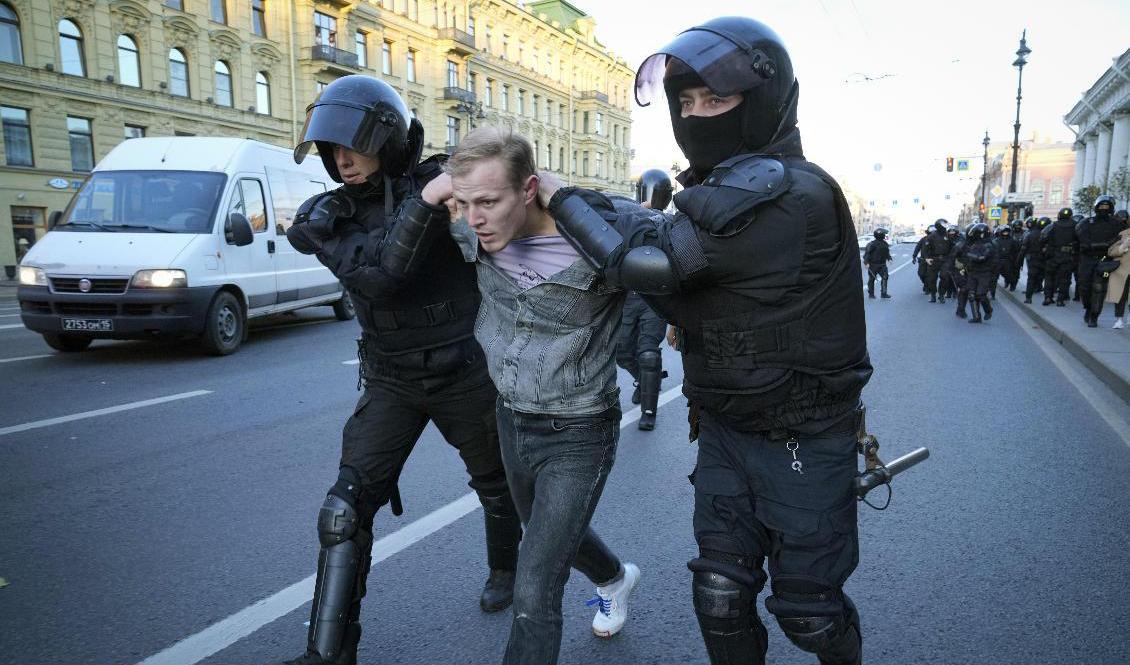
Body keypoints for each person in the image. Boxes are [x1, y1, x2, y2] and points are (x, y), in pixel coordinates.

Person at [550, 17, 872, 664]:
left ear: (764, 99)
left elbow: (653, 265)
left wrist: (560, 198)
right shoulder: (717, 193)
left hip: (804, 436)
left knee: (810, 613)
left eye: (716, 100)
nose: (698, 116)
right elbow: (662, 237)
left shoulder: (792, 191)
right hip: (725, 427)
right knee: (720, 594)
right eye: (686, 102)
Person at [281, 76, 521, 665]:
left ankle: (505, 569)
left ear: (386, 142)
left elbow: (507, 197)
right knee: (343, 509)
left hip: (463, 372)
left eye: (353, 145)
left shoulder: (437, 185)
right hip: (392, 379)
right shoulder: (325, 216)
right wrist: (427, 200)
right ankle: (329, 653)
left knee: (498, 487)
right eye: (331, 149)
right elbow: (384, 274)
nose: (341, 159)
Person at [435, 127, 642, 665]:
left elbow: (670, 266)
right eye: (464, 203)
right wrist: (433, 194)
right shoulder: (471, 232)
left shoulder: (596, 240)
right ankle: (616, 579)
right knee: (548, 537)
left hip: (579, 429)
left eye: (488, 201)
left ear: (529, 190)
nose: (474, 218)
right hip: (511, 419)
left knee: (534, 586)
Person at [618, 168, 674, 430]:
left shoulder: (674, 224)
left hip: (656, 298)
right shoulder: (626, 216)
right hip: (629, 296)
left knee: (648, 354)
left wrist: (677, 321)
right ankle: (645, 380)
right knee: (621, 351)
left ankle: (648, 411)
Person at [1077, 195, 1123, 327]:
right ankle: (1088, 308)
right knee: (1084, 287)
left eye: (1106, 207)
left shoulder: (1117, 225)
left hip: (1105, 262)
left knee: (1099, 288)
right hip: (1087, 260)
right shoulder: (1086, 223)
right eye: (1101, 207)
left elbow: (1120, 240)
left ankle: (1094, 316)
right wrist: (1104, 244)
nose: (1104, 209)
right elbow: (1083, 242)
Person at [960, 223, 997, 323]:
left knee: (981, 295)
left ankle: (988, 310)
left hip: (984, 273)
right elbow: (967, 256)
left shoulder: (989, 245)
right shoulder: (974, 244)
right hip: (973, 272)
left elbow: (982, 257)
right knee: (971, 295)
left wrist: (971, 255)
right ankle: (976, 317)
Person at [1042, 207, 1078, 307]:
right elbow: (1080, 239)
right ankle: (1060, 300)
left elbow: (1043, 237)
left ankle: (1048, 297)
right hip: (1067, 256)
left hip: (1053, 255)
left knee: (1049, 277)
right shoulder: (1076, 226)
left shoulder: (1053, 225)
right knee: (1064, 279)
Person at [1105, 219, 1130, 329]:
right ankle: (1119, 319)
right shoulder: (1123, 234)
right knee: (1120, 296)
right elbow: (1111, 251)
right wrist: (1123, 246)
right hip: (1121, 271)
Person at [922, 219, 953, 303]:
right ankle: (933, 295)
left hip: (945, 259)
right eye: (944, 225)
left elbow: (952, 248)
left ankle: (941, 294)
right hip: (933, 259)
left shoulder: (948, 235)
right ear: (939, 226)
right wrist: (926, 258)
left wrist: (951, 258)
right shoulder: (931, 236)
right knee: (932, 279)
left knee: (945, 277)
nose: (945, 227)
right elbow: (925, 249)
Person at [1020, 217, 1047, 304]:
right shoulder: (1046, 234)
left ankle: (1028, 298)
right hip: (1043, 259)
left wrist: (1019, 262)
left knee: (1031, 278)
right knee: (1045, 277)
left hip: (1032, 260)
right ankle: (1047, 297)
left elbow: (1023, 249)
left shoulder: (1029, 235)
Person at [863, 227, 892, 298]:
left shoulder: (885, 244)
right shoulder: (872, 244)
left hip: (882, 264)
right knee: (872, 279)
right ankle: (871, 294)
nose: (884, 236)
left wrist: (889, 258)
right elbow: (867, 254)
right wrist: (866, 263)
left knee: (885, 277)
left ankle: (884, 293)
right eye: (883, 234)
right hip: (873, 265)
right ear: (879, 235)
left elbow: (887, 253)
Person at [912, 226, 931, 292]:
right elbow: (917, 248)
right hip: (923, 259)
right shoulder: (923, 239)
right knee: (921, 273)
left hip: (933, 260)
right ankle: (926, 284)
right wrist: (914, 256)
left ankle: (928, 287)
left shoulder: (938, 240)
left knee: (930, 275)